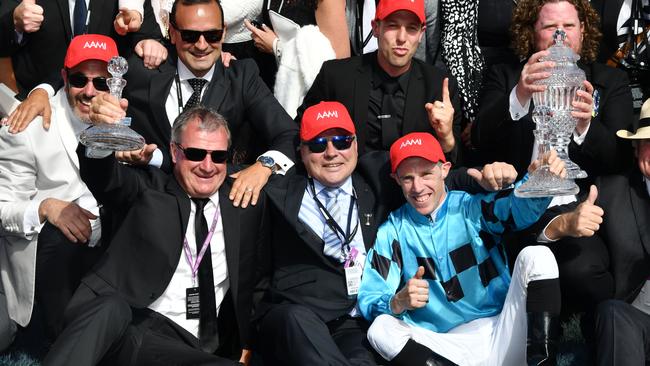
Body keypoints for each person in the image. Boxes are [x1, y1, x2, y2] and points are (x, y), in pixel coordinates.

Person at [256, 101, 526, 365]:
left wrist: (484, 175)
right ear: (301, 153)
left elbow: (434, 175)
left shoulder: (379, 174)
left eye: (341, 141)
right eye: (317, 144)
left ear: (355, 144)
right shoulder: (276, 192)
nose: (331, 152)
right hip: (300, 314)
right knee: (296, 322)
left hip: (356, 322)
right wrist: (264, 164)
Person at [43, 106, 268, 366]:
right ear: (174, 152)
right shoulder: (146, 189)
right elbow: (103, 176)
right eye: (195, 154)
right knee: (110, 308)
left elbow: (258, 280)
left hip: (192, 346)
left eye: (218, 156)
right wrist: (102, 132)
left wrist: (266, 165)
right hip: (130, 326)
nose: (208, 166)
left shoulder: (244, 202)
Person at [358, 132, 565, 366]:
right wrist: (397, 302)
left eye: (426, 174)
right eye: (407, 178)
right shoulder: (392, 230)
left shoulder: (469, 206)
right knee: (380, 329)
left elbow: (517, 211)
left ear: (444, 170)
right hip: (444, 347)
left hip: (501, 332)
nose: (417, 187)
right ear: (395, 179)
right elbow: (369, 297)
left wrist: (539, 183)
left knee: (537, 256)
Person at [89, 0, 298, 209]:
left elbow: (288, 134)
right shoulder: (141, 72)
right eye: (190, 35)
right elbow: (100, 138)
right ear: (172, 31)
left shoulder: (241, 77)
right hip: (147, 210)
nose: (201, 45)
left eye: (212, 35)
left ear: (224, 32)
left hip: (214, 214)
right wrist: (101, 120)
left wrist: (264, 166)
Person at [0, 34, 113, 346]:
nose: (90, 92)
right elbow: (2, 207)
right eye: (79, 80)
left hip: (104, 245)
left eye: (101, 82)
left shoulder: (124, 120)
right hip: (49, 254)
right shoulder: (27, 126)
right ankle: (57, 337)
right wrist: (46, 207)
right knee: (62, 230)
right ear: (64, 78)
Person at [533, 98, 650, 365]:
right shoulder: (613, 190)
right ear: (636, 149)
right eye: (649, 144)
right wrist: (567, 223)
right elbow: (549, 221)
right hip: (635, 323)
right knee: (612, 313)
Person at [474, 0, 634, 185]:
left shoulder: (611, 81)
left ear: (582, 30)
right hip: (520, 199)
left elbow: (621, 161)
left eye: (569, 25)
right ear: (532, 31)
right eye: (550, 26)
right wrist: (519, 96)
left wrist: (586, 127)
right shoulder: (505, 76)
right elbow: (479, 140)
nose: (560, 34)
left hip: (583, 201)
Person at [296, 0, 462, 164]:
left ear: (421, 33)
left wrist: (446, 138)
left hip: (413, 186)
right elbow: (300, 131)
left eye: (411, 28)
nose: (401, 38)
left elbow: (455, 162)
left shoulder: (438, 86)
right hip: (348, 183)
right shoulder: (336, 76)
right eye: (393, 26)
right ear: (376, 28)